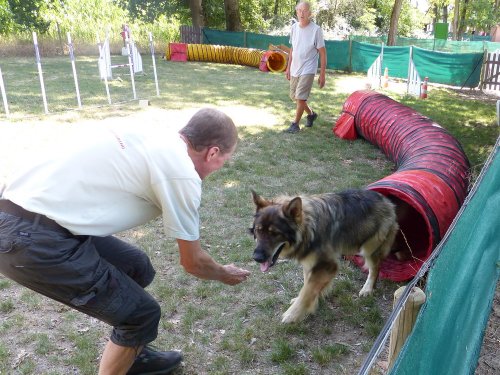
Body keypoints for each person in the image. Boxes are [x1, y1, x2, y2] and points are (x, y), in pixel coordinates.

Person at [0, 108, 251, 375]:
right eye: (224, 160)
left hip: (22, 215)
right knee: (141, 315)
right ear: (212, 152)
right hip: (31, 240)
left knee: (136, 267)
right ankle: (128, 345)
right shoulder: (182, 173)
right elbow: (194, 263)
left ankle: (132, 357)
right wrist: (223, 273)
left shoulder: (151, 135)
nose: (219, 168)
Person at [285, 1, 327, 133]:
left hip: (308, 68)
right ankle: (311, 114)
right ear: (296, 12)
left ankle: (295, 124)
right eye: (299, 10)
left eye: (304, 10)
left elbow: (322, 53)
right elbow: (293, 48)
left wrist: (322, 74)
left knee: (301, 96)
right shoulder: (294, 28)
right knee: (295, 97)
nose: (301, 13)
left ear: (310, 13)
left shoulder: (316, 30)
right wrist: (288, 67)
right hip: (295, 68)